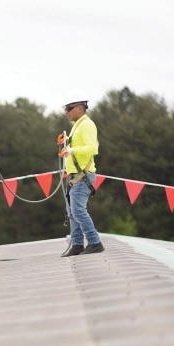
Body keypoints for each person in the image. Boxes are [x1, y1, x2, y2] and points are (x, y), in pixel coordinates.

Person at [59, 95, 104, 257]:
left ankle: (94, 242)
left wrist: (72, 150)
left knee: (77, 210)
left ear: (79, 108)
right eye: (65, 109)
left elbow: (92, 148)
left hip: (82, 175)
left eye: (69, 108)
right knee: (71, 212)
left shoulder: (87, 125)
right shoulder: (77, 126)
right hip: (74, 175)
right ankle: (77, 245)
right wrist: (67, 141)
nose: (66, 112)